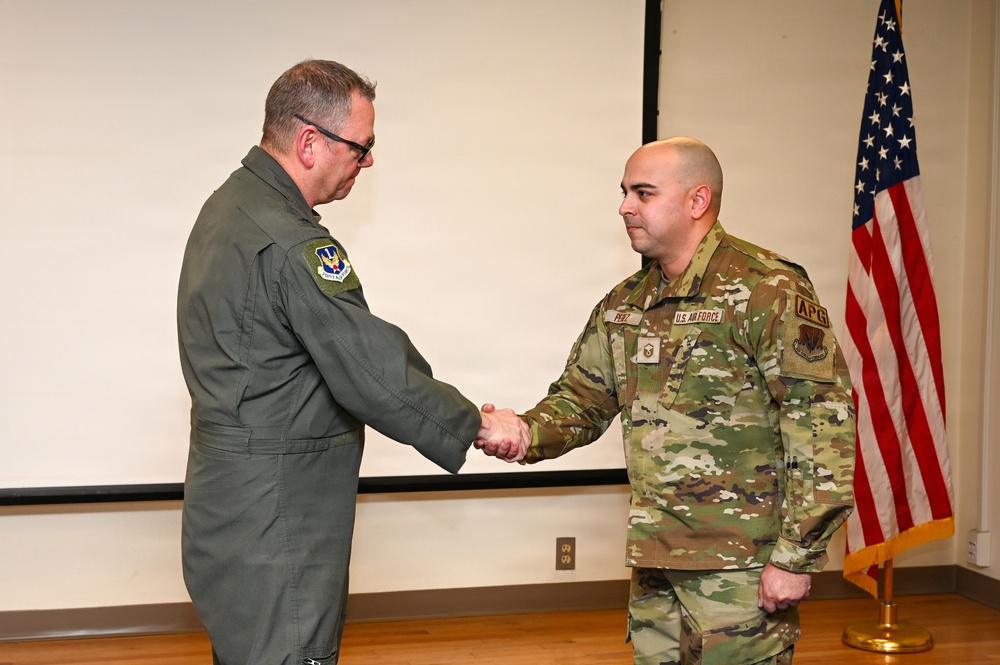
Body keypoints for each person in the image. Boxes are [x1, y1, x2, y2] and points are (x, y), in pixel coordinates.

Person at [176, 59, 526, 665]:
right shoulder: (291, 241)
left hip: (229, 504)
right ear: (310, 142)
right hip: (278, 513)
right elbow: (369, 368)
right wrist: (474, 422)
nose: (367, 162)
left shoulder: (227, 207)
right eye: (361, 147)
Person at [479, 137, 856, 665]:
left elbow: (821, 422)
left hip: (741, 569)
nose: (624, 206)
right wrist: (519, 431)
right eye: (624, 192)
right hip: (656, 563)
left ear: (697, 201)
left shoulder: (766, 288)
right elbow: (581, 402)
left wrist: (796, 557)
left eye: (643, 192)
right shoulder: (626, 303)